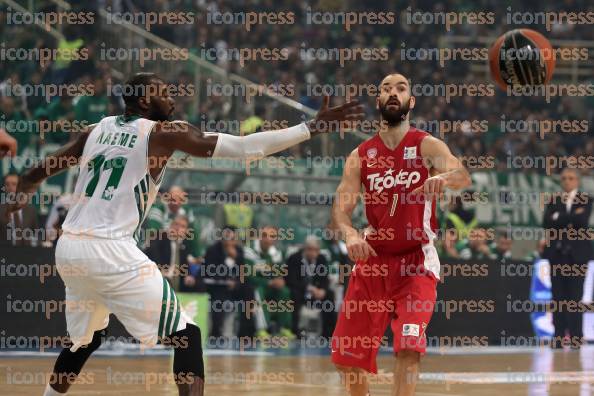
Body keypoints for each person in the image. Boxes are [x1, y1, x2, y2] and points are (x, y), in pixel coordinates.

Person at [7, 72, 364, 396]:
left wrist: (15, 199)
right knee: (187, 336)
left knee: (84, 340)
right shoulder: (164, 133)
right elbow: (243, 149)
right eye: (163, 92)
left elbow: (37, 172)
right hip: (108, 248)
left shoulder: (95, 130)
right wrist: (311, 128)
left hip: (69, 248)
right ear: (145, 100)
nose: (172, 97)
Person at [330, 73, 471, 396]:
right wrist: (350, 234)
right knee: (345, 357)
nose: (393, 92)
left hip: (415, 262)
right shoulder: (360, 155)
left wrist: (444, 179)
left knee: (409, 346)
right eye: (386, 88)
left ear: (411, 101)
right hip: (374, 260)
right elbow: (341, 209)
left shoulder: (426, 144)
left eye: (401, 88)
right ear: (378, 101)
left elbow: (462, 174)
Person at [543, 168, 593, 348]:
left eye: (570, 178)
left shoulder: (586, 199)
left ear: (577, 181)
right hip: (557, 254)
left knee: (575, 298)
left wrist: (559, 218)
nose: (566, 181)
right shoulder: (554, 200)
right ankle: (558, 337)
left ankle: (576, 338)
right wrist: (571, 217)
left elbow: (582, 221)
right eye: (563, 178)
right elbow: (547, 222)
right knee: (558, 298)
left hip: (578, 256)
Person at [244, 225, 293, 339]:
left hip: (270, 285)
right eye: (264, 235)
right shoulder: (249, 250)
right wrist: (269, 282)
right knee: (257, 290)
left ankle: (284, 328)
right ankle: (261, 329)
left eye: (271, 236)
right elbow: (248, 276)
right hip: (253, 285)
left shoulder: (276, 253)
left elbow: (279, 273)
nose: (267, 239)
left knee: (284, 291)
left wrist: (279, 280)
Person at [285, 235, 336, 338]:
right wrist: (309, 288)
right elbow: (291, 280)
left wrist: (322, 290)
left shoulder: (321, 259)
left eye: (315, 250)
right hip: (300, 290)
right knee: (293, 294)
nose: (312, 252)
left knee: (329, 295)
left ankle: (329, 333)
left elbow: (324, 278)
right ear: (305, 248)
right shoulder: (294, 258)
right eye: (310, 249)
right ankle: (296, 330)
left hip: (315, 292)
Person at [0, 172, 39, 246]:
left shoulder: (31, 210)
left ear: (21, 187)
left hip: (28, 254)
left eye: (14, 184)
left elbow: (36, 234)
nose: (10, 187)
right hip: (5, 254)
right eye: (7, 184)